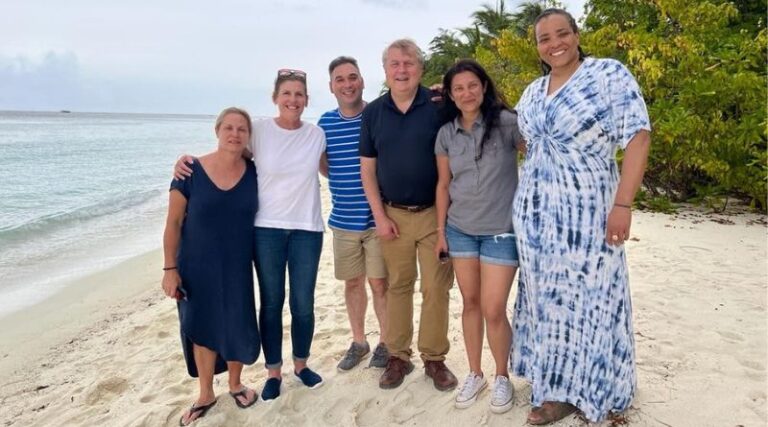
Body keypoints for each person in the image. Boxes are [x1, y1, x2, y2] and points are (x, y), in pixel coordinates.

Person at [511, 8, 652, 425]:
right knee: (548, 302)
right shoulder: (532, 92)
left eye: (562, 34)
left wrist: (623, 204)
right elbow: (521, 140)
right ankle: (554, 388)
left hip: (590, 215)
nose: (554, 43)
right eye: (544, 38)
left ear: (576, 35)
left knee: (593, 299)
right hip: (535, 219)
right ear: (537, 47)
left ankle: (594, 388)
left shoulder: (608, 74)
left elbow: (638, 136)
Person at [174, 69, 327, 402]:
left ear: (306, 100)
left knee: (303, 303)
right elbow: (230, 153)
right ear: (275, 98)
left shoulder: (317, 134)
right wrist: (189, 162)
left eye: (299, 94)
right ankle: (273, 372)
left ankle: (301, 365)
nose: (292, 100)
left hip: (307, 228)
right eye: (286, 93)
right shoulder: (258, 131)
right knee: (271, 302)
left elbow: (333, 168)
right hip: (266, 229)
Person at [360, 39, 457, 391]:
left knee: (436, 288)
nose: (402, 70)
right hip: (393, 215)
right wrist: (379, 217)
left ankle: (434, 358)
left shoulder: (439, 105)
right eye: (395, 64)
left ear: (420, 68)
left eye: (409, 63)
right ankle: (398, 357)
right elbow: (367, 170)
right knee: (398, 286)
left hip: (435, 215)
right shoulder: (373, 112)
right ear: (385, 70)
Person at [434, 59, 523, 413]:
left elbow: (541, 154)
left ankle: (502, 376)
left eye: (472, 85)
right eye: (458, 88)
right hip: (460, 230)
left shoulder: (508, 123)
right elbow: (443, 185)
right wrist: (441, 233)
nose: (467, 93)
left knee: (494, 308)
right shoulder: (446, 134)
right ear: (450, 94)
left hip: (502, 230)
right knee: (470, 303)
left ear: (484, 87)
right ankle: (475, 373)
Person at [162, 107, 260, 426]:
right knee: (201, 326)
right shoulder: (190, 171)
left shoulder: (255, 171)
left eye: (241, 129)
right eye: (228, 127)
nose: (234, 133)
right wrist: (169, 269)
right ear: (217, 131)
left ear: (248, 136)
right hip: (196, 264)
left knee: (236, 322)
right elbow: (173, 223)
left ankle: (235, 384)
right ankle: (205, 393)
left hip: (238, 264)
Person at [317, 56, 390, 371]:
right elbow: (323, 165)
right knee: (352, 283)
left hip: (378, 219)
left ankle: (386, 342)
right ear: (331, 86)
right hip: (343, 221)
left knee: (380, 284)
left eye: (352, 77)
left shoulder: (378, 115)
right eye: (340, 79)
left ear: (362, 81)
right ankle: (359, 342)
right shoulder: (325, 123)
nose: (347, 84)